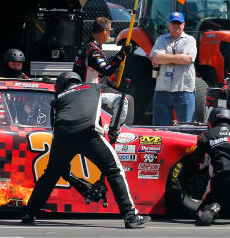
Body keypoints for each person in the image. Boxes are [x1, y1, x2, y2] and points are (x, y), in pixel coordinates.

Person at [21, 71, 150, 228]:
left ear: (60, 86)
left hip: (62, 138)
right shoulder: (94, 87)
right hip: (89, 134)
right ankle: (130, 216)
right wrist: (115, 127)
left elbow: (55, 128)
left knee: (50, 175)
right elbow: (122, 101)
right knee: (114, 171)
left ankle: (29, 214)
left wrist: (62, 161)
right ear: (78, 80)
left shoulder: (57, 100)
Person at [150, 12, 197, 125]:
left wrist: (165, 57)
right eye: (173, 23)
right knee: (159, 129)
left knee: (187, 127)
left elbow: (186, 60)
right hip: (162, 90)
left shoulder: (190, 40)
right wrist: (179, 57)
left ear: (184, 24)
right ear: (168, 24)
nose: (176, 25)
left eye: (179, 23)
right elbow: (156, 58)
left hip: (184, 89)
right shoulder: (161, 39)